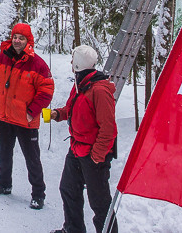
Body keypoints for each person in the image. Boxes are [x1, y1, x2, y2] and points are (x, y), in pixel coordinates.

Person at [49, 45, 118, 233]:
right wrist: (58, 114)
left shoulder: (99, 90)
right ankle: (73, 229)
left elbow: (108, 128)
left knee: (100, 202)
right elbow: (72, 108)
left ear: (79, 64)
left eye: (73, 59)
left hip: (93, 154)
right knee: (68, 188)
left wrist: (97, 155)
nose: (71, 62)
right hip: (77, 148)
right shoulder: (81, 83)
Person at [0, 22, 55, 210]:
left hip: (26, 121)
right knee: (4, 154)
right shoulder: (2, 57)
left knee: (32, 159)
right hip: (5, 117)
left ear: (28, 41)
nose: (17, 41)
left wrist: (31, 112)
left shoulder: (38, 64)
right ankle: (4, 184)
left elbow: (47, 90)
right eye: (15, 37)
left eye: (21, 38)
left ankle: (38, 194)